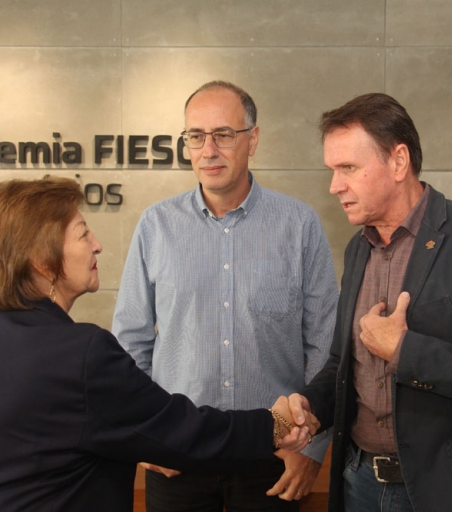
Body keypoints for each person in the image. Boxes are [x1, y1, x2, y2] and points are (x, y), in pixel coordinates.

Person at [0, 177, 317, 512]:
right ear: (42, 260)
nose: (98, 245)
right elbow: (179, 429)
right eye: (83, 234)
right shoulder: (83, 353)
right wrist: (275, 424)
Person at [287, 93, 452, 512]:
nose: (334, 186)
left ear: (398, 162)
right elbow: (343, 363)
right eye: (332, 171)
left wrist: (404, 350)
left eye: (348, 168)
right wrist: (309, 407)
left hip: (448, 495)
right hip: (359, 484)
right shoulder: (358, 248)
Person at [112, 80, 338, 511]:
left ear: (253, 139)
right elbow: (130, 345)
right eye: (196, 136)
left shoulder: (299, 225)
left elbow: (325, 348)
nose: (208, 150)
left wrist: (310, 448)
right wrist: (144, 436)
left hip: (275, 460)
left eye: (223, 135)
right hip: (178, 457)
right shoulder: (155, 226)